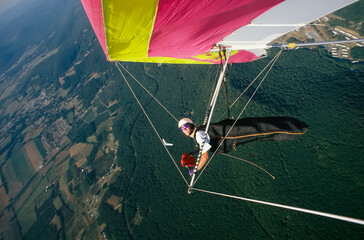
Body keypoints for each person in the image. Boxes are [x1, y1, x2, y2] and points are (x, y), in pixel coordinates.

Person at [179, 117, 308, 175]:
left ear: (191, 125)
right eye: (181, 129)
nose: (184, 130)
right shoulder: (199, 133)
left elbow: (205, 156)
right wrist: (193, 153)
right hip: (234, 131)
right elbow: (203, 146)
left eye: (185, 126)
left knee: (261, 130)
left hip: (235, 134)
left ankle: (297, 129)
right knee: (260, 130)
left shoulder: (198, 134)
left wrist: (195, 170)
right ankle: (294, 126)